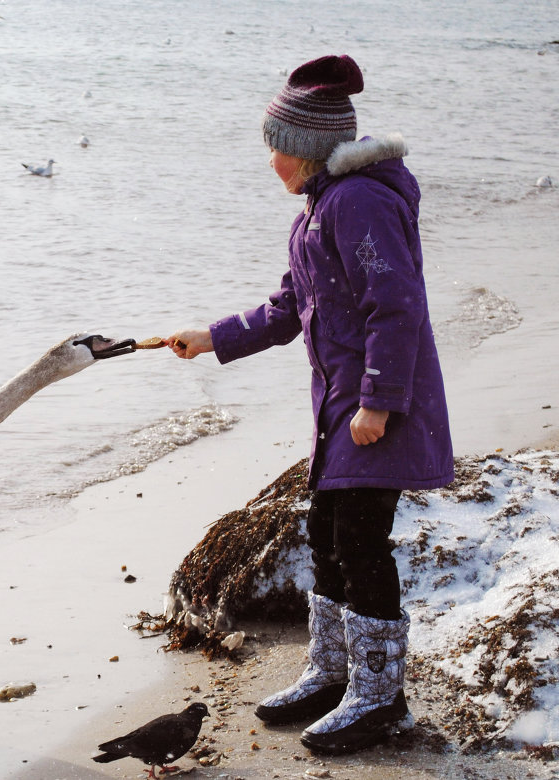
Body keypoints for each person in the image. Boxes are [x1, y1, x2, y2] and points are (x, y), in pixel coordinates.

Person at [166, 54, 453, 755]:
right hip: (340, 412)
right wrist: (213, 339)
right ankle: (332, 675)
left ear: (305, 150)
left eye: (275, 146)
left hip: (375, 409)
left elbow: (398, 306)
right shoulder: (317, 211)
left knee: (359, 543)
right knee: (326, 537)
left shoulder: (358, 204)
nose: (269, 160)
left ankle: (380, 698)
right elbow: (290, 306)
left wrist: (380, 403)